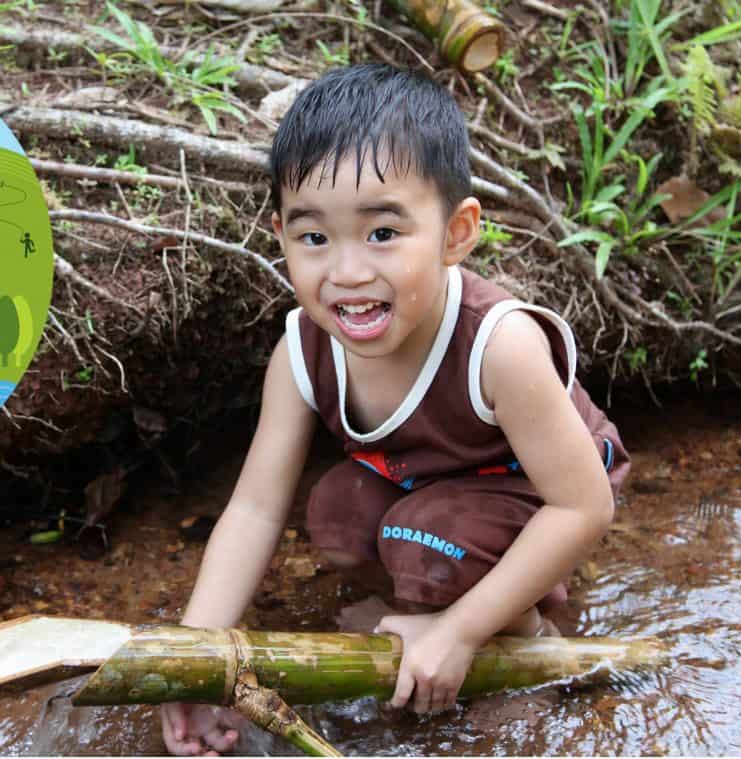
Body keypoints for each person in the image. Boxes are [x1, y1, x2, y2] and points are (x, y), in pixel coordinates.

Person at [161, 63, 630, 756]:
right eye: (314, 237)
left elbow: (584, 506)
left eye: (382, 232)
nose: (347, 272)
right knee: (337, 510)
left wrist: (462, 631)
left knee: (424, 538)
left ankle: (522, 628)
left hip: (538, 484)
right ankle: (428, 598)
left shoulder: (499, 346)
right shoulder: (300, 354)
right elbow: (257, 508)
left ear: (456, 233)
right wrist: (194, 664)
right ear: (281, 235)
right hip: (429, 481)